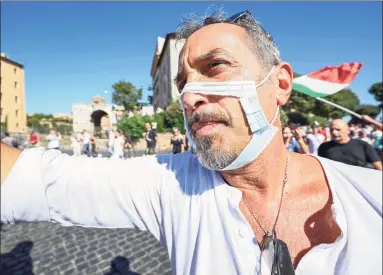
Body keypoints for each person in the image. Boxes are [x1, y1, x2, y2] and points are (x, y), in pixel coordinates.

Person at [1, 9, 382, 275]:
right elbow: (33, 181)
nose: (188, 96)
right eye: (183, 82)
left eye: (215, 67)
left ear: (280, 83)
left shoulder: (371, 196)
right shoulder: (170, 185)